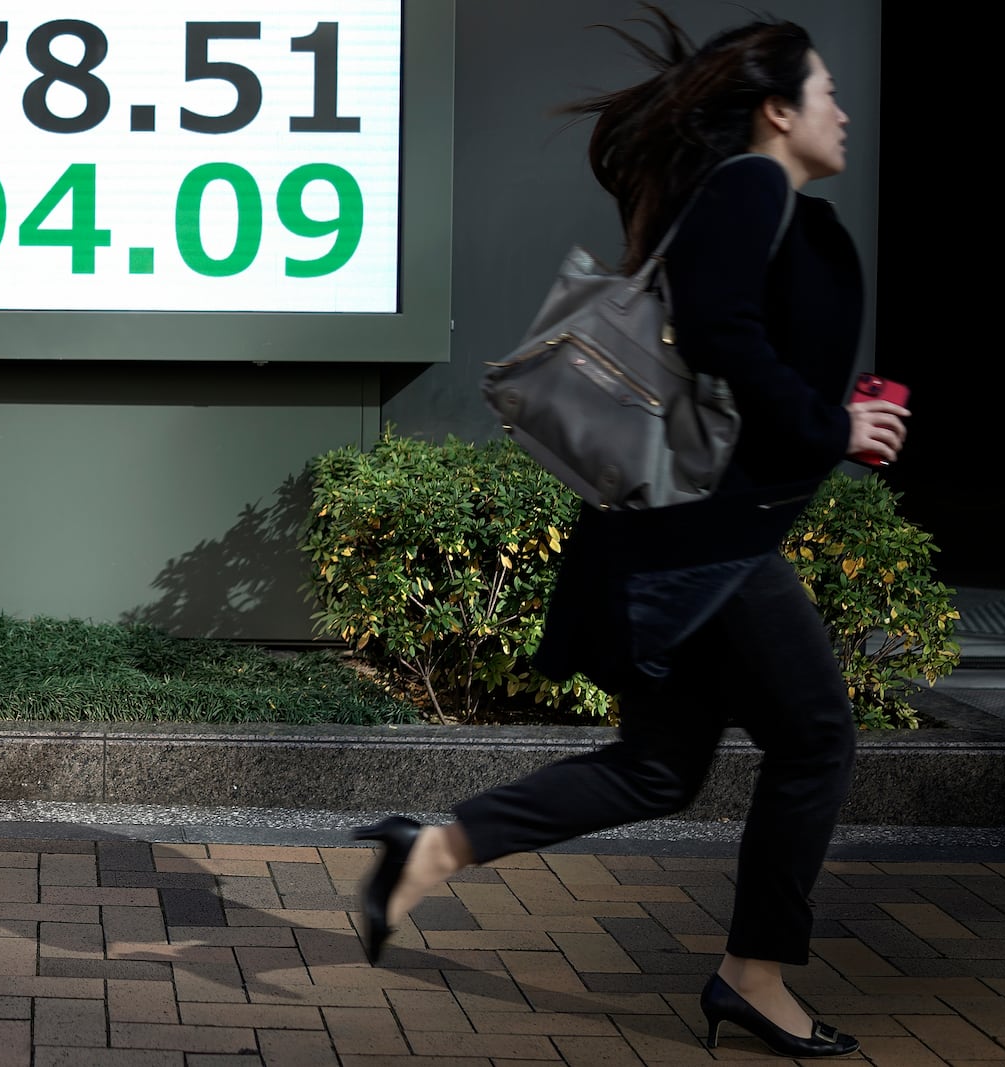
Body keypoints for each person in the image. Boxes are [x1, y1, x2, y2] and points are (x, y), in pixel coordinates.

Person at [353, 5, 908, 1060]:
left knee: (658, 766)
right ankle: (752, 975)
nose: (844, 111)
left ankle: (424, 853)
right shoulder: (749, 186)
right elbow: (714, 330)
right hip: (705, 538)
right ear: (777, 108)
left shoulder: (752, 197)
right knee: (816, 736)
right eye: (827, 92)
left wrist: (825, 427)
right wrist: (827, 422)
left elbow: (735, 338)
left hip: (674, 533)